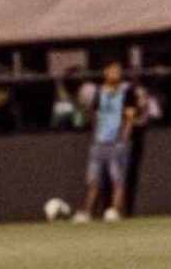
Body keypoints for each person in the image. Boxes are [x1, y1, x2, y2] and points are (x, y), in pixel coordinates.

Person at [73, 61, 138, 223]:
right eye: (112, 70)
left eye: (118, 70)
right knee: (93, 179)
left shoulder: (127, 91)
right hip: (99, 142)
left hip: (117, 142)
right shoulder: (99, 92)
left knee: (117, 178)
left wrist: (124, 138)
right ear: (105, 72)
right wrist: (95, 137)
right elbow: (95, 115)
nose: (116, 73)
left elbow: (130, 117)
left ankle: (114, 210)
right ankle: (87, 212)